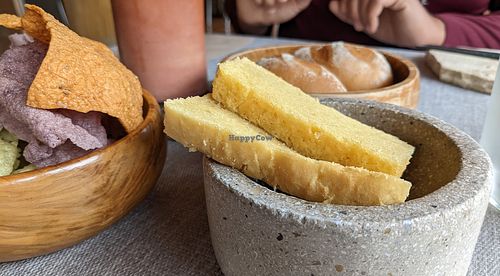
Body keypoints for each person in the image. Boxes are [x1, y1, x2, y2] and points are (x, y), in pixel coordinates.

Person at [226, 0, 500, 49]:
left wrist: (435, 30)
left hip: (447, 74)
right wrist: (253, 19)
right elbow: (241, 15)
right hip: (294, 63)